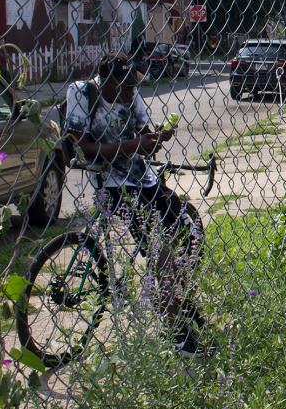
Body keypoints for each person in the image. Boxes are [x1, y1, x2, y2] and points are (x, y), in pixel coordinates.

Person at [64, 52, 207, 357]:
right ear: (107, 82)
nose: (131, 92)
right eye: (125, 87)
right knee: (162, 246)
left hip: (143, 179)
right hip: (112, 183)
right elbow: (82, 144)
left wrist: (158, 137)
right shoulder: (82, 92)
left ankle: (175, 296)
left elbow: (145, 137)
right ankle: (176, 329)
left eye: (134, 85)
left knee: (186, 225)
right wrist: (130, 146)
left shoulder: (132, 96)